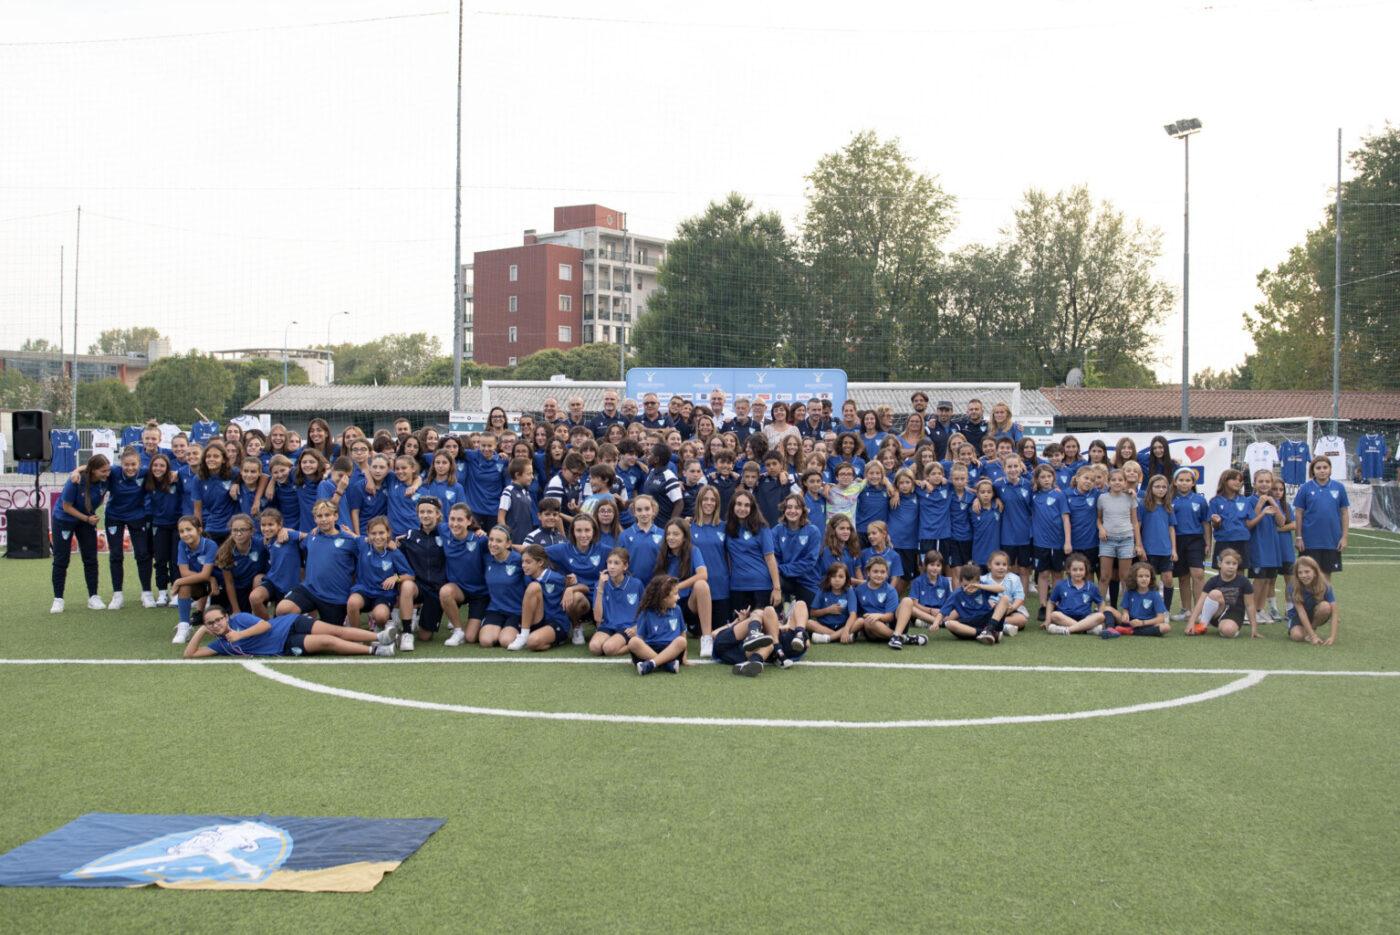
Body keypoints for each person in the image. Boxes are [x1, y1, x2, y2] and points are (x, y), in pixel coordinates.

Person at [183, 605, 396, 658]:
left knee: (336, 630)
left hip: (289, 624)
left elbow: (265, 625)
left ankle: (379, 636)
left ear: (226, 617)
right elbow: (190, 655)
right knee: (326, 641)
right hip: (283, 646)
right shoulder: (220, 645)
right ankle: (376, 651)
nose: (216, 624)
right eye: (211, 623)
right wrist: (201, 630)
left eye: (218, 619)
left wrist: (240, 634)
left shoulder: (239, 619)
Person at [49, 454, 112, 614]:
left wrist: (76, 468)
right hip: (64, 519)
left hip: (87, 521)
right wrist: (87, 518)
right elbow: (66, 507)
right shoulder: (76, 481)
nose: (107, 474)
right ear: (93, 471)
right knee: (61, 559)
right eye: (103, 471)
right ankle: (58, 599)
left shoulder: (105, 479)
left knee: (90, 558)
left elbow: (86, 466)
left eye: (108, 470)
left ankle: (93, 597)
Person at [653, 519, 713, 656]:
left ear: (685, 536)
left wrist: (677, 586)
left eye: (676, 534)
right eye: (668, 534)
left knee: (701, 585)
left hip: (688, 604)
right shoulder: (662, 552)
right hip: (670, 604)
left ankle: (707, 639)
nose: (671, 537)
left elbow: (703, 574)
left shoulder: (693, 550)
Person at [345, 516, 416, 632]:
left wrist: (396, 578)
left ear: (388, 533)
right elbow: (352, 536)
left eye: (381, 533)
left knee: (381, 616)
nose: (378, 537)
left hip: (384, 595)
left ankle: (380, 621)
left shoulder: (394, 553)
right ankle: (357, 636)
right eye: (373, 533)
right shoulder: (363, 544)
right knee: (352, 603)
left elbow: (411, 575)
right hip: (364, 590)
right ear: (368, 534)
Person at [1293, 455, 1349, 580]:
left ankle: (1325, 600)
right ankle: (1308, 600)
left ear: (1330, 469)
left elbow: (1344, 513)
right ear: (1313, 470)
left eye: (1325, 467)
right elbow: (1298, 513)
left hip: (1331, 540)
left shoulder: (1339, 488)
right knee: (1307, 575)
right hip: (1309, 541)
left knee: (1326, 577)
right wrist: (1298, 537)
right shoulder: (1305, 488)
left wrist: (1344, 537)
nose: (1322, 470)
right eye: (1318, 468)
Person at [725, 490, 781, 612]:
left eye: (747, 505)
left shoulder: (762, 528)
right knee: (740, 627)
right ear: (733, 506)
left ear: (752, 508)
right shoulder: (727, 528)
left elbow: (770, 559)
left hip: (761, 586)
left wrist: (777, 588)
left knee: (761, 628)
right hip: (737, 587)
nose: (742, 508)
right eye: (739, 504)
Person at [1187, 548, 1258, 639]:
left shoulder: (1244, 582)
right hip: (1216, 613)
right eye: (1228, 563)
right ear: (1220, 564)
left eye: (1234, 564)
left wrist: (1254, 627)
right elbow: (1201, 601)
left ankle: (1224, 626)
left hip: (1234, 614)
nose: (1231, 566)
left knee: (1228, 630)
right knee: (1215, 593)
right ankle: (1203, 624)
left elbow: (1250, 605)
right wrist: (1191, 623)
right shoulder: (1213, 581)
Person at [172, 514, 220, 644]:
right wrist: (209, 578)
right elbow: (184, 572)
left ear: (199, 530)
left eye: (189, 529)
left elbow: (204, 574)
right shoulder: (182, 544)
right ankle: (184, 627)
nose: (185, 534)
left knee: (221, 621)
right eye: (181, 531)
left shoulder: (210, 545)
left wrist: (178, 582)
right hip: (205, 582)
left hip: (219, 587)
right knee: (184, 586)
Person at [1169, 468, 1210, 623]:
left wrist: (1208, 542)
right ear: (1175, 482)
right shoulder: (1170, 499)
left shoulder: (1200, 500)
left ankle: (1199, 611)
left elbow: (1205, 523)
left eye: (1188, 480)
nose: (1184, 483)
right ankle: (1186, 610)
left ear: (1193, 483)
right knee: (1183, 576)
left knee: (1198, 574)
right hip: (1177, 540)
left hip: (1195, 539)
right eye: (1181, 480)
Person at [1097, 469, 1141, 608]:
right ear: (1108, 482)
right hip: (1107, 541)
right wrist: (1101, 528)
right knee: (1104, 577)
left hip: (1126, 540)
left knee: (1125, 578)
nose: (1117, 482)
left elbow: (1135, 522)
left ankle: (1127, 609)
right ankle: (1100, 608)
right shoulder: (1102, 498)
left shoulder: (1130, 497)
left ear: (1125, 482)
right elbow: (1098, 519)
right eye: (1113, 480)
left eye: (1120, 480)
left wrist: (1138, 544)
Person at [628, 576, 689, 675]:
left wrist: (685, 657)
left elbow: (682, 633)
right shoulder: (646, 613)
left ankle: (651, 664)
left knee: (681, 641)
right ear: (664, 597)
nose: (678, 597)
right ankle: (667, 664)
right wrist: (637, 649)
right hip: (649, 649)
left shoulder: (677, 609)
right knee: (633, 641)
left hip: (671, 650)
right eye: (675, 594)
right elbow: (640, 637)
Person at [592, 547, 644, 657]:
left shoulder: (636, 584)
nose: (611, 566)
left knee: (608, 649)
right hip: (608, 625)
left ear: (625, 566)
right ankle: (615, 642)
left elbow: (645, 610)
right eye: (609, 563)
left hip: (627, 627)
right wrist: (600, 587)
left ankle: (636, 643)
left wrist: (636, 627)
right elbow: (597, 617)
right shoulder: (600, 583)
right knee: (595, 648)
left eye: (616, 563)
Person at [942, 563, 1011, 645]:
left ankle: (989, 630)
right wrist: (935, 623)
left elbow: (1001, 589)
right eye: (966, 585)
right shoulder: (957, 593)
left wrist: (979, 586)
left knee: (1005, 599)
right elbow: (943, 611)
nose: (969, 587)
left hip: (986, 620)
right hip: (969, 625)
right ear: (960, 582)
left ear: (979, 581)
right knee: (949, 624)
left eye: (972, 584)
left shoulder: (982, 587)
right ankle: (985, 633)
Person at [1138, 473, 1177, 613]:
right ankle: (1148, 609)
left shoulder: (1168, 506)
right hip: (1149, 550)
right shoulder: (1143, 505)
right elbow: (1138, 526)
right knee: (1149, 581)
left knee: (1168, 579)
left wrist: (1174, 549)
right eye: (1157, 486)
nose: (1161, 489)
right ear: (1151, 488)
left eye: (1164, 487)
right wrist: (1140, 546)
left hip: (1165, 550)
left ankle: (1165, 609)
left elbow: (1171, 528)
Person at [213, 513, 267, 616]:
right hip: (238, 591)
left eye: (243, 530)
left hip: (258, 587)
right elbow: (229, 583)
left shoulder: (261, 544)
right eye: (235, 530)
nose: (238, 533)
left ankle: (258, 614)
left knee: (258, 578)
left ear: (251, 531)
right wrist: (236, 609)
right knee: (235, 618)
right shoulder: (225, 552)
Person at [1102, 562, 1171, 638]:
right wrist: (1125, 614)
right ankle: (1110, 629)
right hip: (1130, 622)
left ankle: (1131, 631)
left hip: (1146, 623)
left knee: (1166, 627)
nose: (1144, 579)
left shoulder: (1155, 595)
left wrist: (1142, 623)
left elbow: (1161, 618)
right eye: (1140, 576)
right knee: (1107, 608)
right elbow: (1125, 608)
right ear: (1134, 578)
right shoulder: (1129, 591)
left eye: (1147, 576)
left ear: (1151, 578)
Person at [1045, 553, 1108, 636]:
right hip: (1065, 618)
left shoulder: (1091, 587)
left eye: (1081, 569)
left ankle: (1067, 630)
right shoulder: (1061, 585)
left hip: (1085, 619)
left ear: (1086, 570)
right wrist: (1047, 619)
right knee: (1054, 615)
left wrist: (1101, 617)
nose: (1078, 572)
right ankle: (1087, 630)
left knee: (1100, 616)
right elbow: (1051, 602)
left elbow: (1101, 603)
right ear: (1068, 570)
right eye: (1074, 570)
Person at [1287, 556, 1339, 645]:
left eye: (1307, 572)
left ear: (1315, 572)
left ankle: (1312, 629)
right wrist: (1313, 637)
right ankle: (1309, 633)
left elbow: (1335, 612)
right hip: (1298, 616)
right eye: (1300, 573)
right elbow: (1301, 613)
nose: (1303, 575)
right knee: (1297, 636)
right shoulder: (1293, 586)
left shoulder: (1325, 585)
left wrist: (1332, 637)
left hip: (1315, 613)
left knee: (1325, 607)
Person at [1209, 468, 1252, 572]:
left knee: (1240, 571)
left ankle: (1240, 589)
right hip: (1224, 541)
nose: (1238, 482)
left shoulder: (1244, 500)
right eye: (1234, 479)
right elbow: (1214, 526)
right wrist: (1216, 522)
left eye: (1240, 480)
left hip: (1241, 540)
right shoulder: (1215, 501)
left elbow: (1249, 522)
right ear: (1224, 480)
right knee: (1223, 571)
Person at [982, 550, 1029, 636]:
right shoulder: (983, 579)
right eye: (997, 564)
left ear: (1008, 567)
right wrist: (988, 603)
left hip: (1009, 610)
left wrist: (1013, 607)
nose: (1001, 567)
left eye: (1004, 564)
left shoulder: (1014, 578)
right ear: (989, 565)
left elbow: (1020, 597)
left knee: (1022, 619)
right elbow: (978, 598)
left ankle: (994, 625)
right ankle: (1002, 627)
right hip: (989, 609)